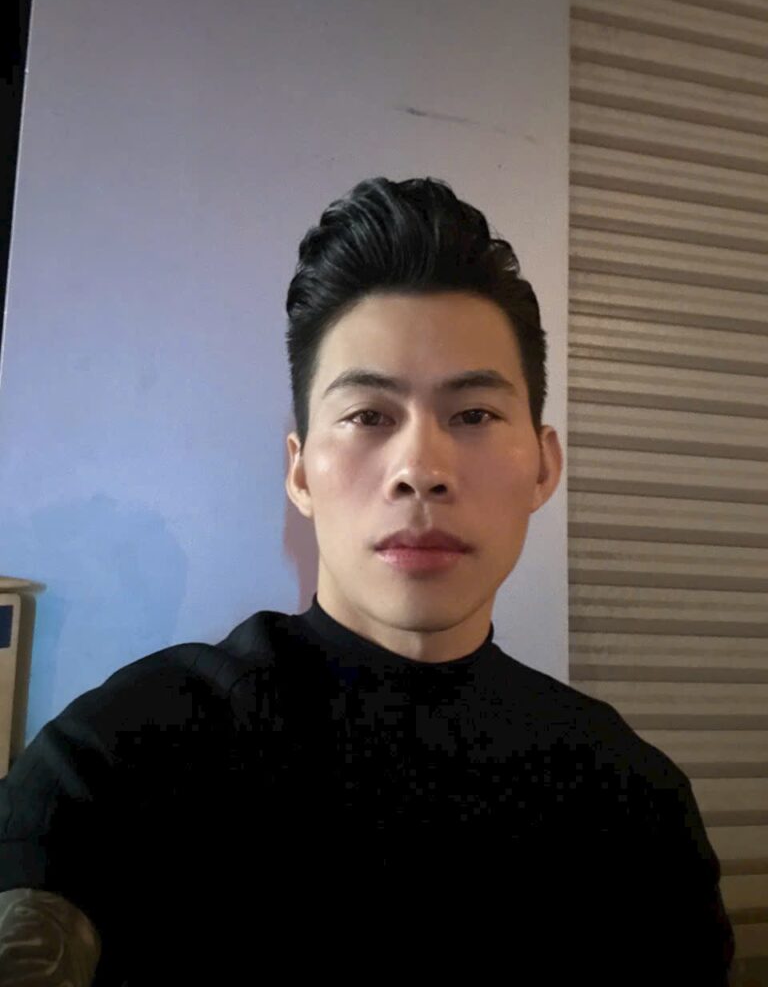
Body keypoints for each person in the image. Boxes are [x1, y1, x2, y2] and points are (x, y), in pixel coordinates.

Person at [0, 176, 734, 985]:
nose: (421, 468)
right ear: (299, 472)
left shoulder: (632, 800)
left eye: (474, 415)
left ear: (544, 465)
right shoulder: (119, 760)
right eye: (368, 416)